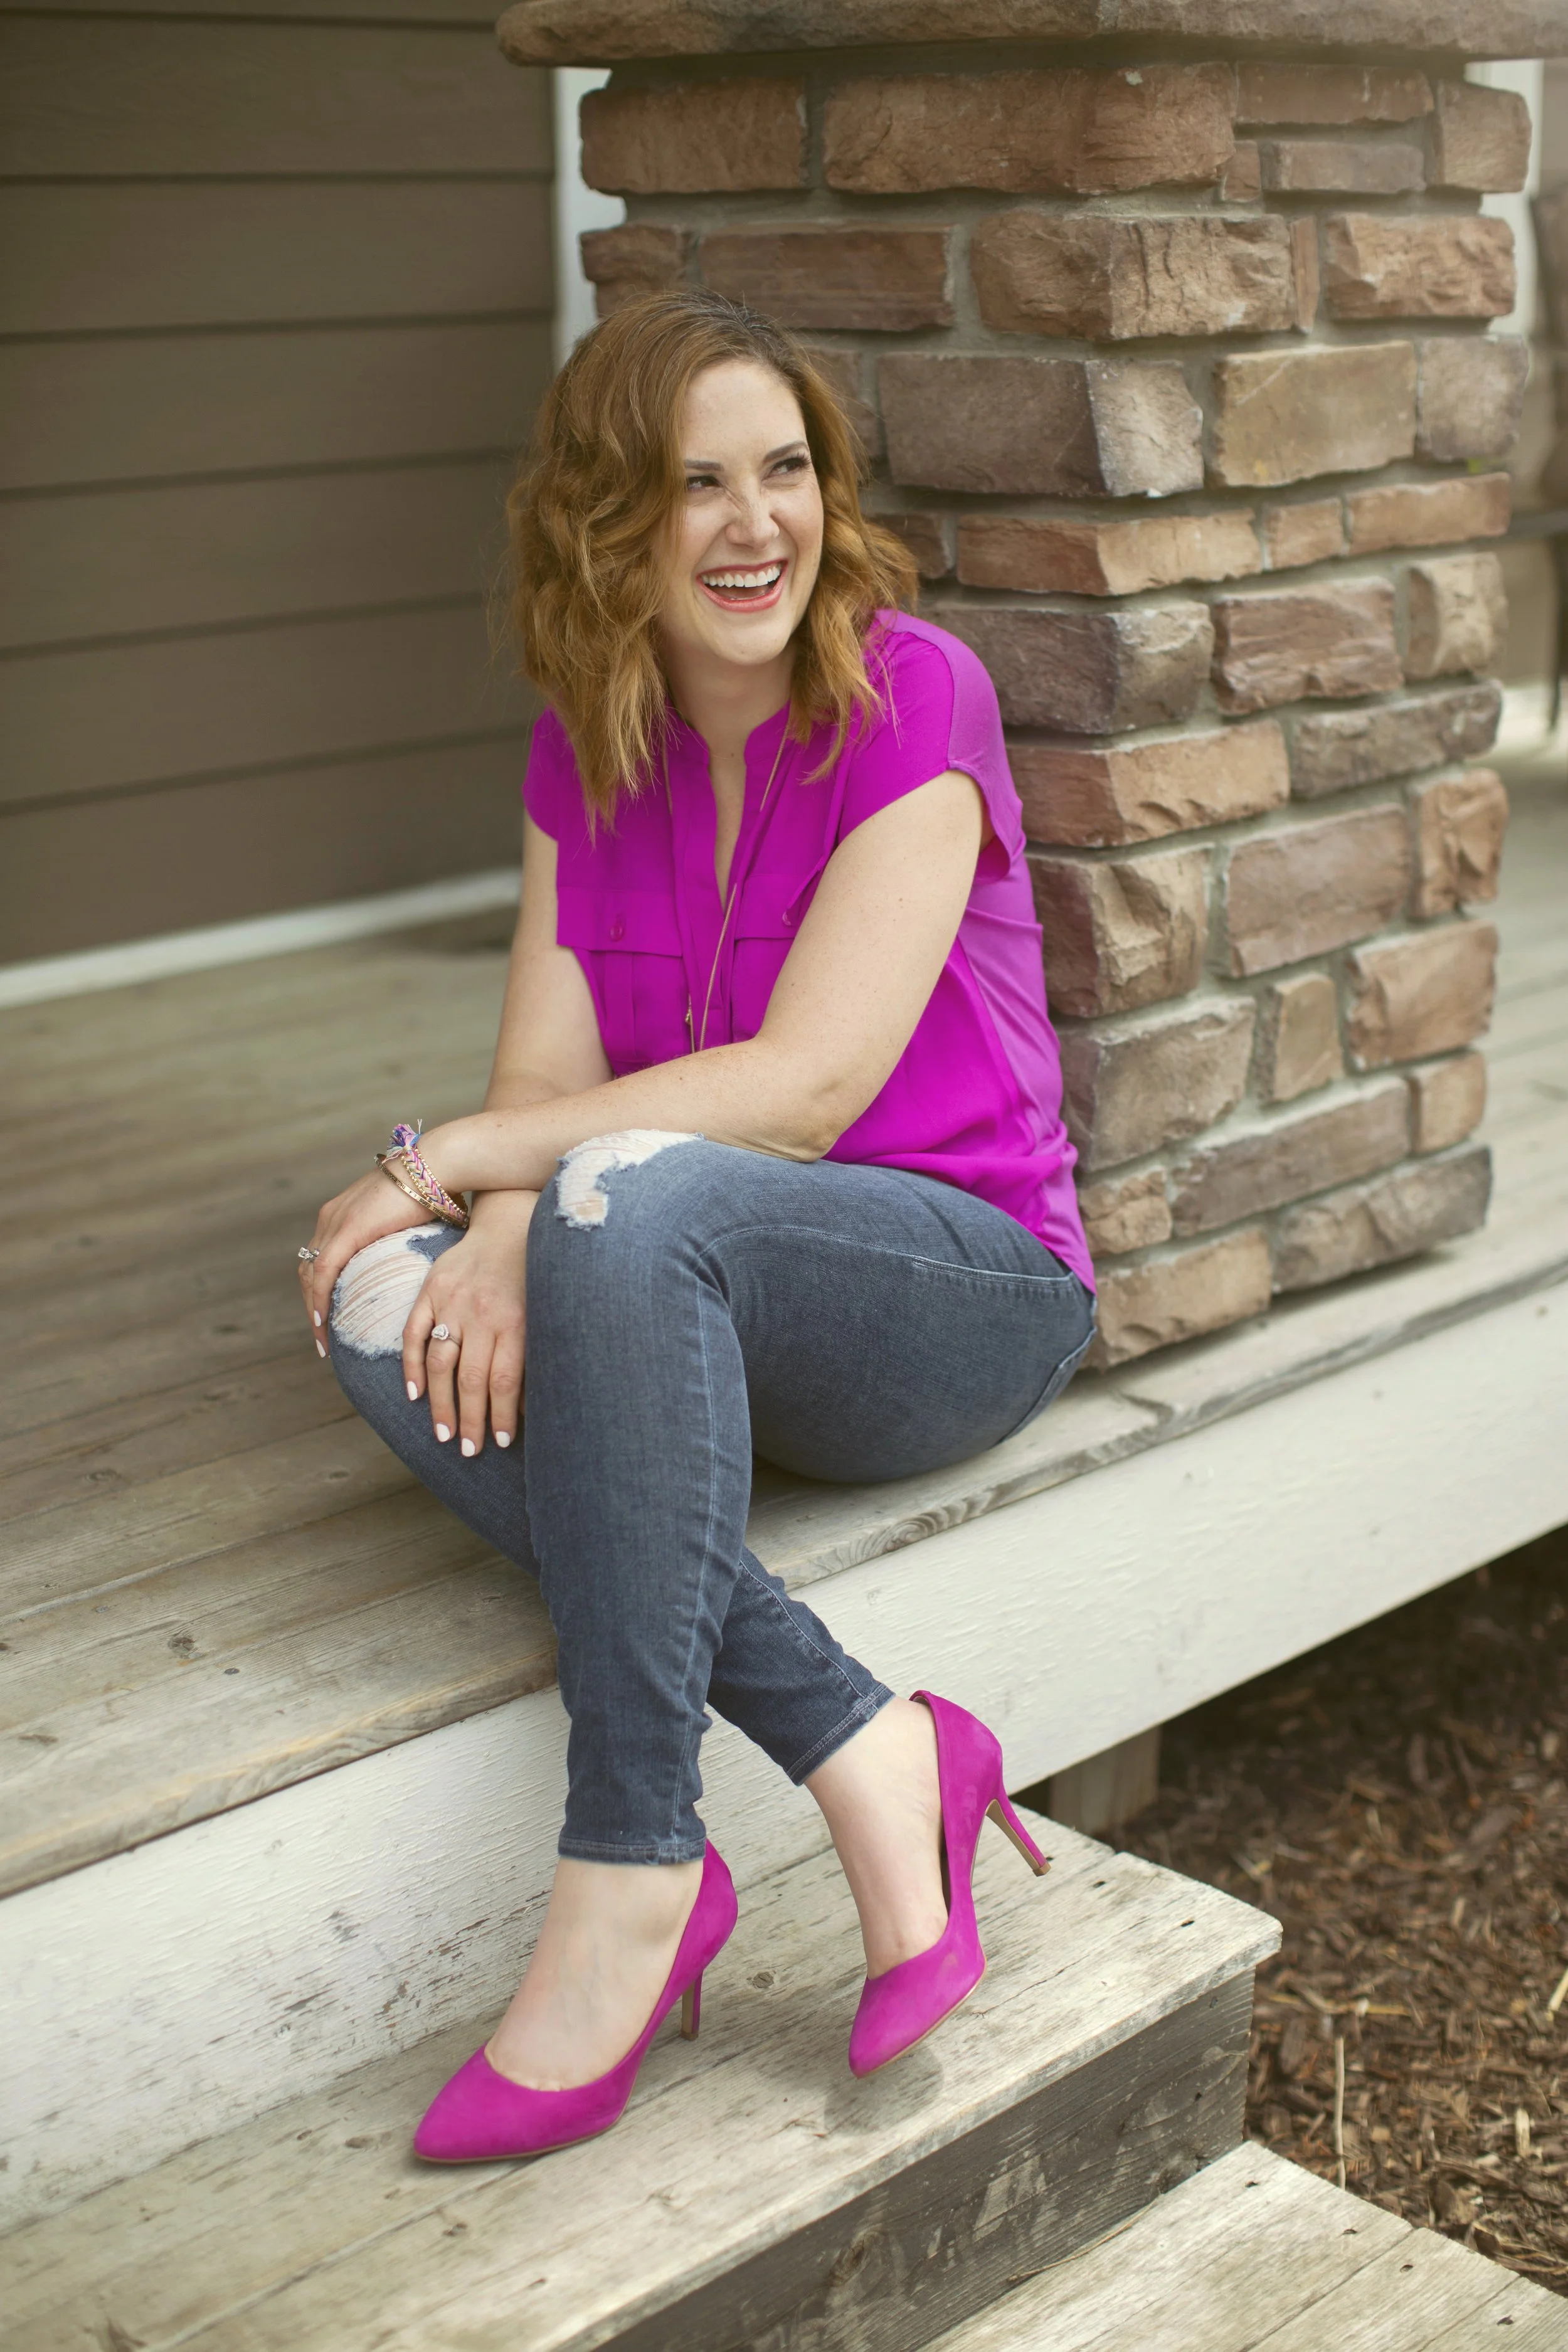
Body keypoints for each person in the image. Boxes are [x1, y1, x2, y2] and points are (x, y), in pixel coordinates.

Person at [299, 291, 1096, 2162]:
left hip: (951, 1285)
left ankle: (636, 1857)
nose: (756, 526)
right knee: (361, 1289)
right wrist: (478, 1230)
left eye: (786, 472)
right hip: (674, 1279)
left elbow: (807, 1089)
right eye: (694, 486)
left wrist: (480, 1166)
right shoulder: (589, 741)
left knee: (609, 1188)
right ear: (608, 524)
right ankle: (867, 1739)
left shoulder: (919, 693)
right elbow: (545, 1066)